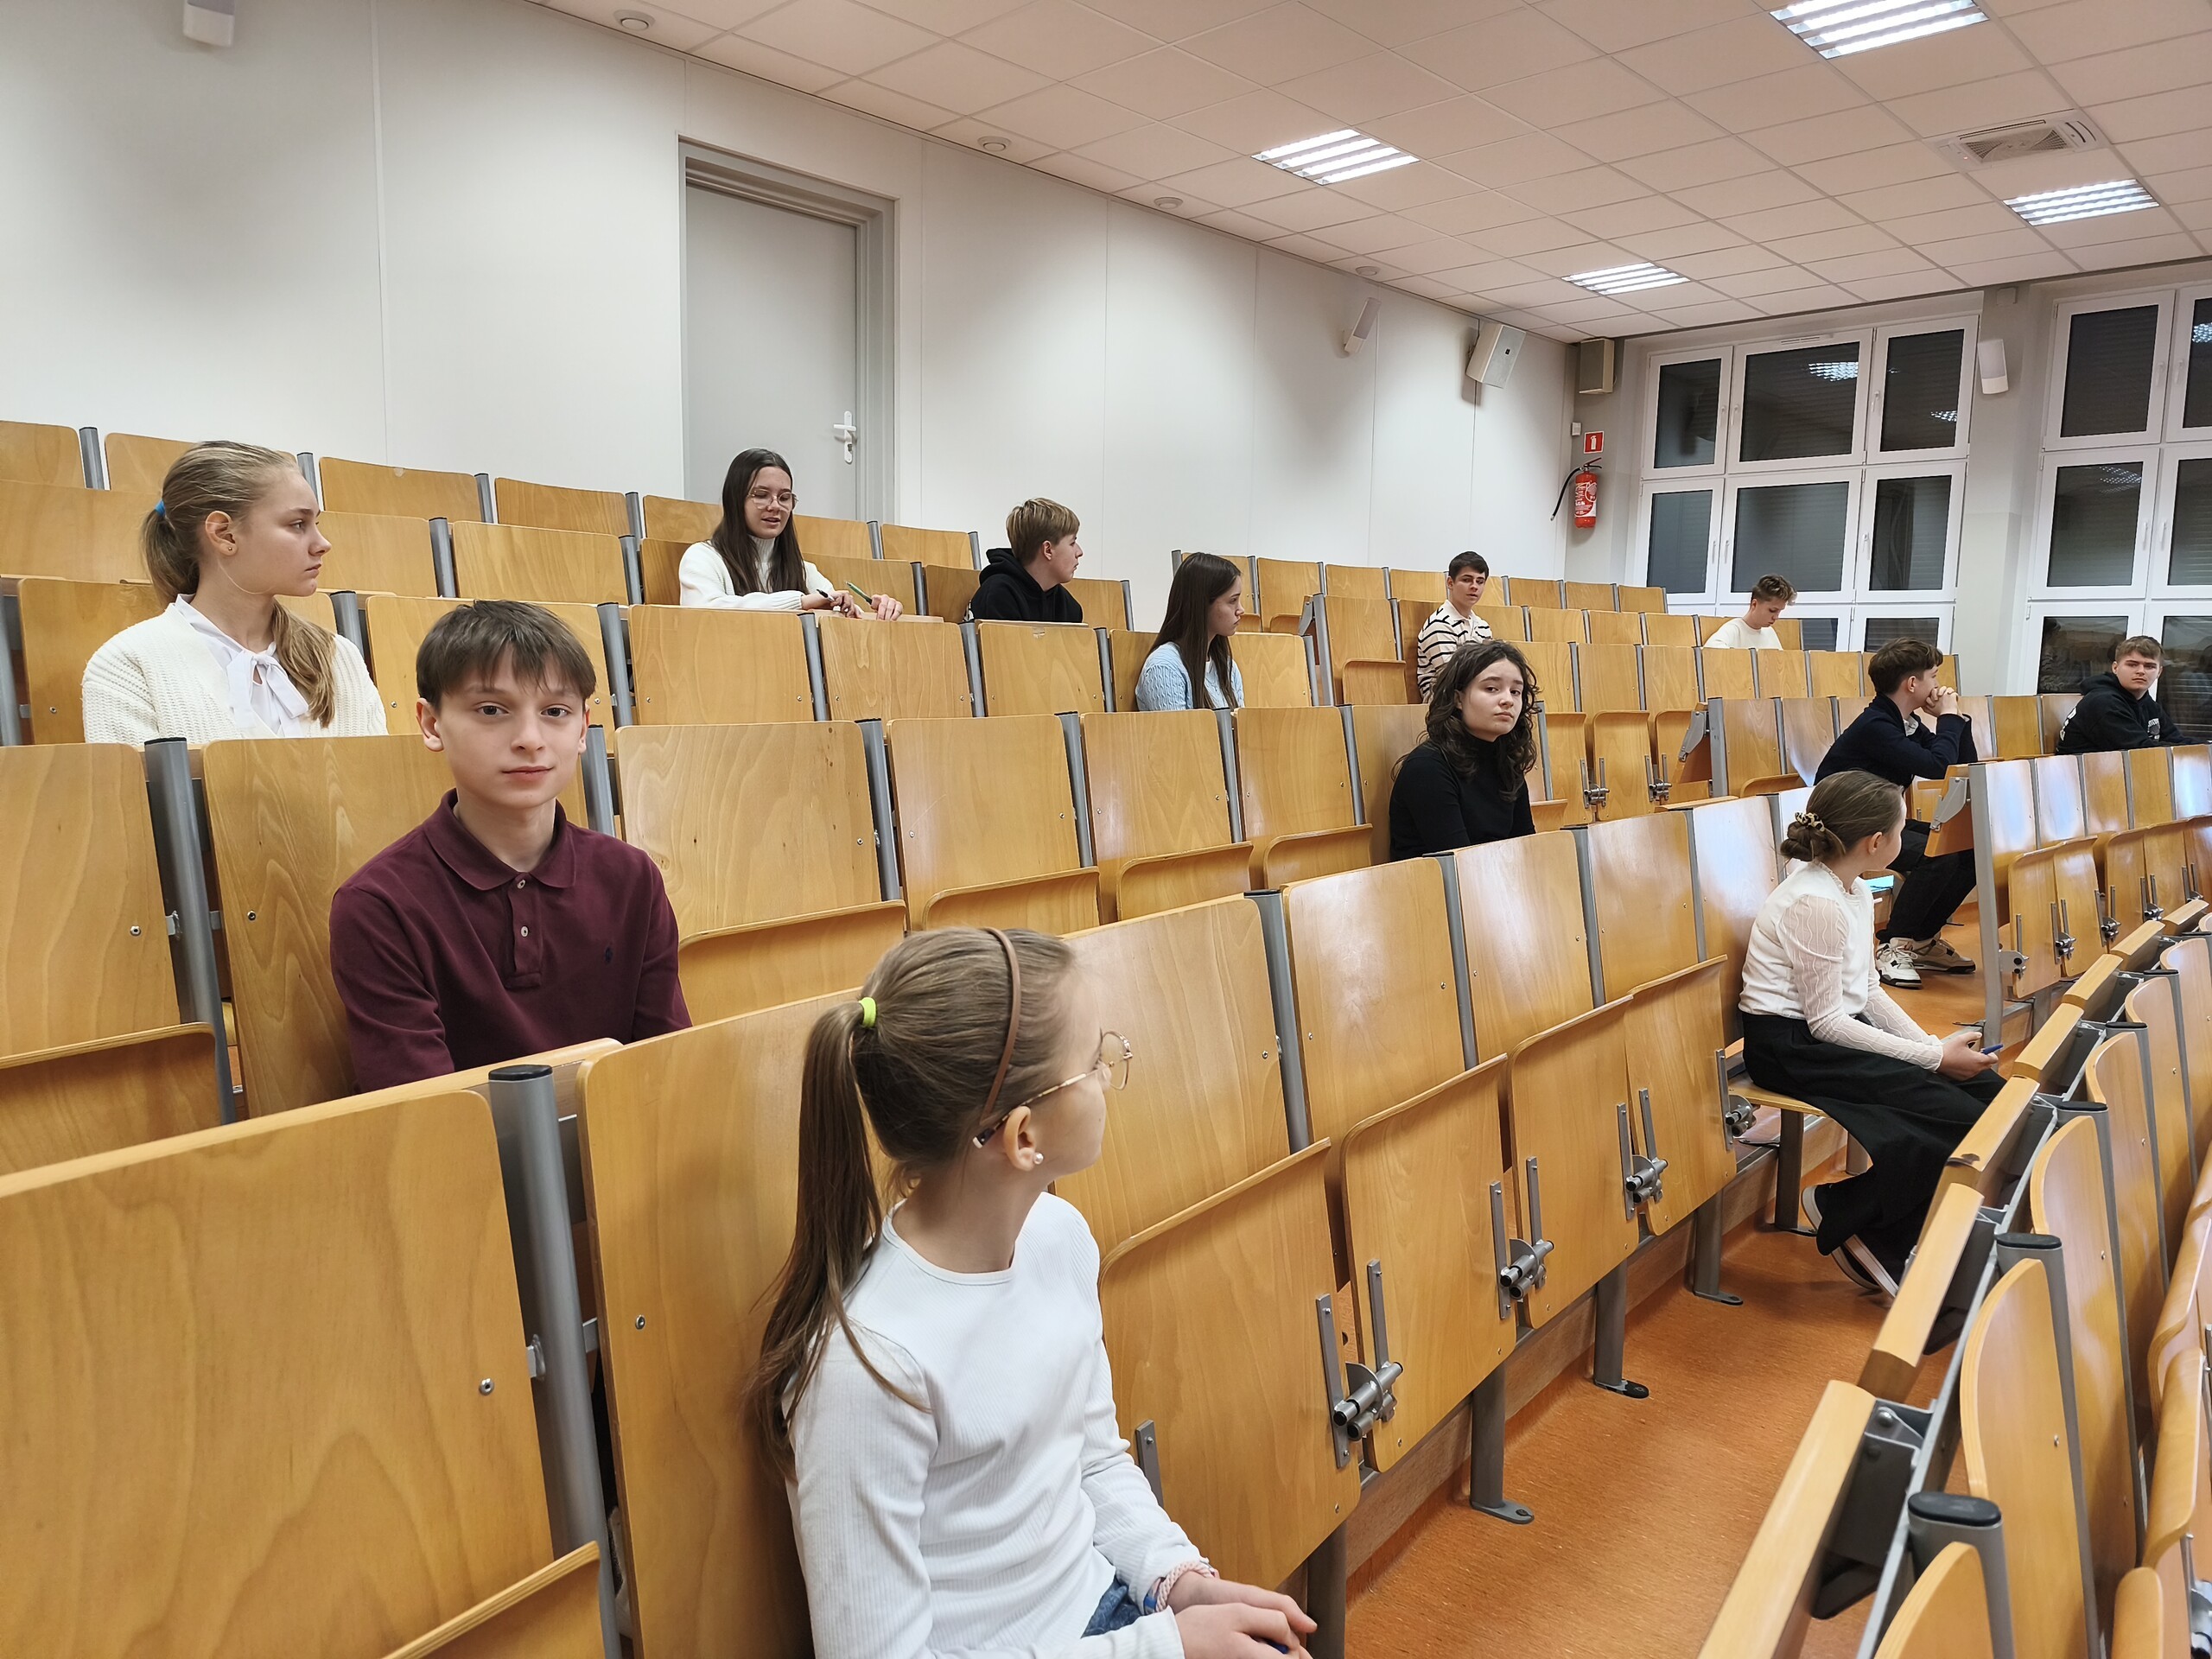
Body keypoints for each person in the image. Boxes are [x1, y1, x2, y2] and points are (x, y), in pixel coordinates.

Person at [746, 927, 1315, 1659]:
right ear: (1022, 1138)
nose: (1109, 1073)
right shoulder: (870, 1369)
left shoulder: (1058, 1236)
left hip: (1105, 1614)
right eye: (1095, 1061)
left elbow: (1091, 1461)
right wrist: (1165, 1647)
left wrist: (1176, 1581)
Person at [330, 600, 690, 1090]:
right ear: (432, 725)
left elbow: (667, 1067)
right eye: (492, 710)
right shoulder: (378, 905)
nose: (529, 739)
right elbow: (424, 1113)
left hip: (625, 1132)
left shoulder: (631, 877)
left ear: (583, 729)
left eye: (555, 712)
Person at [1738, 771, 2002, 1297]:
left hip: (1829, 1034)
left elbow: (1867, 990)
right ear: (1876, 842)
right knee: (1958, 1117)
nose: (1908, 837)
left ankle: (1866, 1219)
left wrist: (1932, 1048)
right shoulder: (1815, 902)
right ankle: (1860, 1222)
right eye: (1903, 829)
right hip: (1791, 1046)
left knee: (1990, 1098)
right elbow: (1826, 1023)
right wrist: (1933, 1059)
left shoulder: (1856, 888)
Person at [81, 441, 384, 745]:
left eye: (315, 523)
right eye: (297, 524)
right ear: (224, 534)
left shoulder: (339, 657)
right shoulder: (127, 664)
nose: (323, 544)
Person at [1816, 638, 1977, 990]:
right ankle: (1894, 945)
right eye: (1933, 676)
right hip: (1847, 824)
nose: (1938, 685)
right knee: (1936, 856)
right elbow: (1936, 766)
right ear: (1913, 684)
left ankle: (1922, 941)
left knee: (1969, 850)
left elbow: (1962, 764)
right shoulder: (1876, 725)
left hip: (1880, 819)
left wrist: (1956, 720)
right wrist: (1947, 717)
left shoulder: (1906, 722)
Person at [678, 448, 901, 619]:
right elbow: (704, 612)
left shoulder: (804, 570)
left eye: (785, 498)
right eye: (761, 495)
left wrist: (878, 612)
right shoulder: (703, 558)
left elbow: (838, 614)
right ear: (735, 500)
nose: (775, 506)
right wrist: (799, 603)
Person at [1389, 639, 1538, 860]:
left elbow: (1527, 852)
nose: (1508, 700)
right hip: (1442, 881)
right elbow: (1460, 863)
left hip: (1496, 877)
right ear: (1458, 698)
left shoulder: (1506, 763)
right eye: (1491, 688)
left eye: (1516, 691)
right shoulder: (1427, 768)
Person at [1135, 553, 1245, 711]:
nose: (1241, 610)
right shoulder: (1164, 668)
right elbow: (1177, 728)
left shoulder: (1229, 667)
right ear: (1202, 605)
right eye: (1233, 601)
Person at [969, 498, 1084, 624]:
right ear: (1048, 550)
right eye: (1072, 543)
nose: (1079, 552)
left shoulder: (1070, 607)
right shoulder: (998, 595)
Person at [2056, 635, 2178, 754]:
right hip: (2079, 768)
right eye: (2132, 664)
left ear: (2159, 672)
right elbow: (2139, 751)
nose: (2141, 671)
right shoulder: (2103, 702)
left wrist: (2190, 750)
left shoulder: (2147, 703)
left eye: (2149, 666)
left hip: (2115, 766)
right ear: (2115, 668)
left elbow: (2176, 740)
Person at [1414, 551, 1494, 698]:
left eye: (1480, 581)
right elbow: (1451, 678)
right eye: (1467, 580)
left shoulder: (1483, 627)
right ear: (1450, 583)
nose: (1474, 586)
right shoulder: (1439, 624)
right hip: (1444, 701)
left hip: (1474, 697)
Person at [1705, 575, 1794, 651]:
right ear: (1754, 604)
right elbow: (1709, 650)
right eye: (1772, 610)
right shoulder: (1734, 629)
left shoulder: (1769, 632)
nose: (1776, 617)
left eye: (1779, 611)